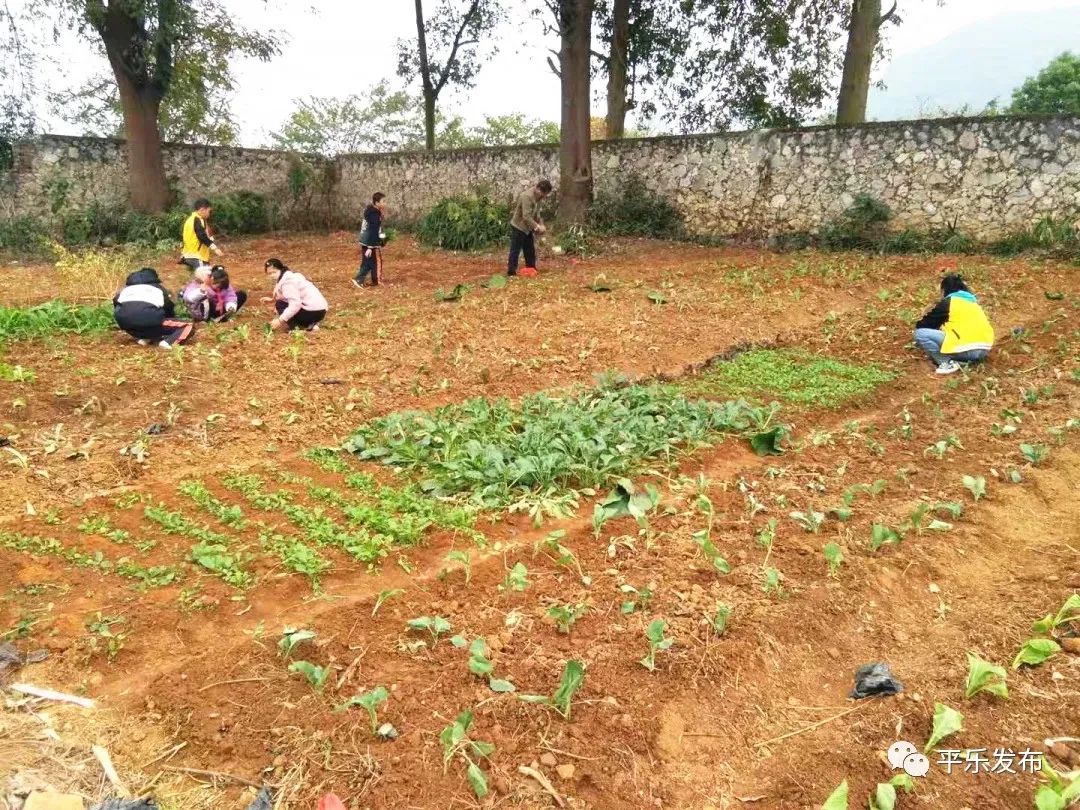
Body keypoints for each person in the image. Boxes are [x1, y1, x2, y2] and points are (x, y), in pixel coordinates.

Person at [914, 273, 994, 375]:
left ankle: (946, 363)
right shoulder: (973, 304)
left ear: (944, 290)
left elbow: (924, 324)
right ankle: (964, 361)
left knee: (920, 334)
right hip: (984, 350)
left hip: (967, 349)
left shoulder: (949, 302)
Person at [114, 268, 193, 349]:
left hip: (125, 323)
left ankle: (144, 338)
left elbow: (116, 302)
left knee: (134, 317)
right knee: (188, 325)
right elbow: (168, 307)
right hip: (150, 320)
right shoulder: (158, 289)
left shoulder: (125, 289)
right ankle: (168, 342)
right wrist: (171, 319)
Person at [262, 258, 328, 332]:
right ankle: (310, 325)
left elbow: (295, 304)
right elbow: (281, 289)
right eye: (269, 273)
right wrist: (272, 299)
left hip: (312, 311)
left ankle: (298, 328)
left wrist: (280, 320)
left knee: (280, 304)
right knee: (282, 303)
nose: (272, 275)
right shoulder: (289, 276)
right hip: (320, 310)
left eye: (274, 272)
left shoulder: (288, 282)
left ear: (280, 269)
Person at [507, 179, 553, 278]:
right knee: (515, 249)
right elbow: (526, 216)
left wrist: (541, 224)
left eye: (545, 194)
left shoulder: (539, 198)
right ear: (538, 189)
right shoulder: (526, 196)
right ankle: (511, 271)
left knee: (529, 249)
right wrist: (537, 227)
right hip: (519, 226)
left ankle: (531, 268)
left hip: (528, 228)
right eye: (543, 193)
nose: (544, 196)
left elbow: (537, 214)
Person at [182, 265, 247, 323]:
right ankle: (207, 320)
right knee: (207, 301)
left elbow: (230, 295)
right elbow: (188, 298)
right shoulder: (197, 284)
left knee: (241, 294)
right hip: (203, 311)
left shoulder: (224, 284)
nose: (216, 286)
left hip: (220, 309)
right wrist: (201, 291)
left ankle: (224, 316)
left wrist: (230, 305)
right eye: (215, 283)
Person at [353, 192, 388, 288]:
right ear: (377, 203)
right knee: (374, 261)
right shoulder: (374, 214)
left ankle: (370, 279)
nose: (385, 203)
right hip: (370, 241)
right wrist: (370, 247)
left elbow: (379, 228)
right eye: (383, 201)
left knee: (368, 261)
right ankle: (363, 279)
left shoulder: (371, 211)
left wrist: (383, 238)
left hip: (364, 240)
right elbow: (374, 229)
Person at [180, 198, 223, 272]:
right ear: (202, 210)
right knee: (205, 279)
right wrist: (214, 248)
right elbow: (202, 236)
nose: (209, 214)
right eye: (209, 211)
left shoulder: (191, 219)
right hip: (197, 256)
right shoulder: (197, 220)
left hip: (188, 255)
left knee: (197, 280)